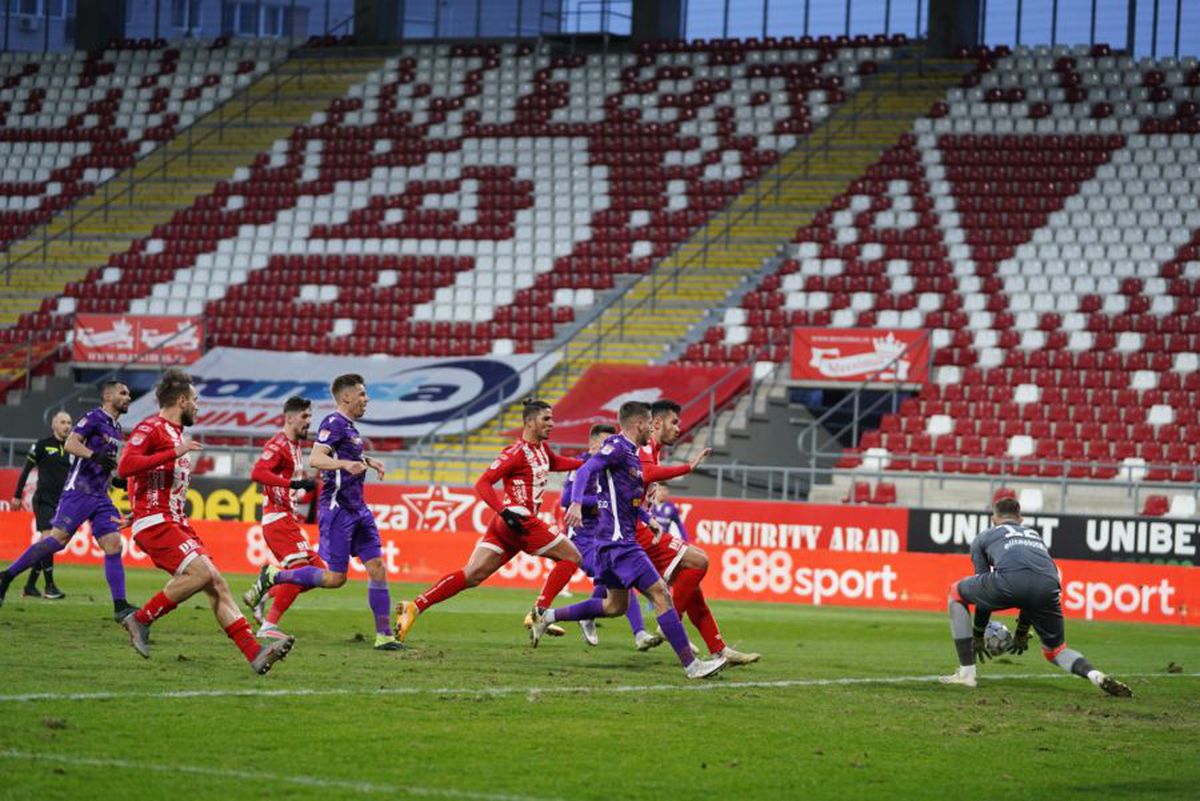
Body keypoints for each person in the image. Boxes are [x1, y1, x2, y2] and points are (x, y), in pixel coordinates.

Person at [528, 401, 726, 680]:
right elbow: (586, 469)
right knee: (662, 595)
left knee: (614, 606)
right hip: (620, 543)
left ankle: (545, 617)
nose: (651, 429)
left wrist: (649, 520)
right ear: (639, 424)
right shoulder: (617, 446)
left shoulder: (631, 456)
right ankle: (693, 666)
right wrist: (574, 503)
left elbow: (628, 503)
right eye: (649, 423)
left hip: (610, 543)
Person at [118, 369, 293, 674]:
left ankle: (255, 653)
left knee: (216, 582)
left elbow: (149, 478)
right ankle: (141, 618)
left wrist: (137, 503)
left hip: (172, 519)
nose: (198, 406)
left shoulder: (175, 435)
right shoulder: (153, 428)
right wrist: (170, 457)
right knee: (201, 574)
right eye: (195, 400)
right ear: (182, 400)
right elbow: (126, 466)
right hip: (157, 521)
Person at [393, 399, 584, 642]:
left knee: (472, 575)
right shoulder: (515, 452)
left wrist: (589, 463)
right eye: (546, 419)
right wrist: (504, 511)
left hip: (507, 526)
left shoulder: (542, 451)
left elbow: (557, 463)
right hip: (518, 520)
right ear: (529, 421)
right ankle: (540, 612)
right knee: (572, 557)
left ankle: (414, 606)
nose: (552, 423)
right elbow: (482, 483)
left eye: (552, 418)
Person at [243, 374, 404, 651]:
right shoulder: (332, 422)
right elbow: (317, 459)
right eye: (363, 394)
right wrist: (344, 464)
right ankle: (275, 577)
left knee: (377, 568)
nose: (367, 400)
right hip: (338, 509)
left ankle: (384, 636)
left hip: (358, 507)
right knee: (334, 578)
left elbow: (345, 456)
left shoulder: (350, 428)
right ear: (347, 397)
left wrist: (367, 460)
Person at [940, 497, 1132, 697]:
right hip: (1048, 584)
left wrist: (978, 634)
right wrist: (1022, 633)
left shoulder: (984, 537)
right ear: (1020, 519)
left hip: (1010, 581)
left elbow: (983, 592)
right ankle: (1094, 674)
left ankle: (966, 673)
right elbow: (1031, 591)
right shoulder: (1034, 536)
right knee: (1056, 650)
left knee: (956, 592)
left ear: (993, 519)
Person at [0, 382, 137, 621]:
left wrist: (115, 479)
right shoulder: (94, 417)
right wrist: (94, 456)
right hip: (79, 490)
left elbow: (105, 463)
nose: (128, 396)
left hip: (100, 495)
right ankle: (7, 576)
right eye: (123, 393)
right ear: (107, 395)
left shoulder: (116, 428)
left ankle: (120, 606)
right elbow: (72, 444)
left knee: (114, 544)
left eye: (128, 393)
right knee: (58, 540)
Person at [639, 400, 759, 666]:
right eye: (674, 422)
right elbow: (646, 473)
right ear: (656, 423)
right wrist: (687, 467)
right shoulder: (644, 448)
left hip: (643, 528)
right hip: (635, 533)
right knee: (699, 561)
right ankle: (669, 621)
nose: (679, 429)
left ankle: (719, 649)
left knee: (692, 586)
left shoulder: (654, 450)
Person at [246, 396, 320, 640]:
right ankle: (268, 626)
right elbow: (257, 472)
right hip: (277, 519)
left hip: (288, 519)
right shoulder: (278, 444)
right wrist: (293, 483)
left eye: (309, 416)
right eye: (304, 417)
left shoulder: (295, 445)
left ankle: (264, 593)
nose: (309, 421)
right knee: (300, 570)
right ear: (289, 418)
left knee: (320, 572)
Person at [10, 411, 73, 599]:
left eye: (69, 422)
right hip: (44, 501)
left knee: (47, 545)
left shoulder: (73, 447)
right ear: (54, 425)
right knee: (48, 541)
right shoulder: (42, 445)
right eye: (63, 422)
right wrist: (16, 495)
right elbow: (26, 470)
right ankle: (50, 587)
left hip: (62, 503)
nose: (67, 426)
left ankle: (30, 586)